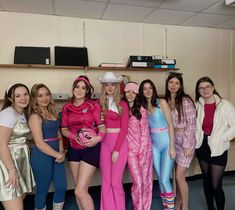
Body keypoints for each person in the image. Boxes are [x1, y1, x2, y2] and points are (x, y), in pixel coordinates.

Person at [61, 76, 105, 210]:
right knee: (79, 190)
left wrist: (97, 139)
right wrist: (76, 137)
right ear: (73, 88)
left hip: (90, 149)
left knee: (80, 191)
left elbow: (102, 128)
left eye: (83, 88)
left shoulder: (94, 106)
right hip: (74, 149)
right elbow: (64, 130)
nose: (80, 90)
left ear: (87, 91)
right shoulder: (66, 107)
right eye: (77, 87)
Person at [195, 76, 235, 210]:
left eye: (207, 86)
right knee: (206, 181)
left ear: (213, 87)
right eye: (201, 87)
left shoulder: (225, 105)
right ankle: (210, 207)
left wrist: (223, 138)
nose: (205, 90)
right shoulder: (197, 105)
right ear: (198, 90)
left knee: (215, 184)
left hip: (219, 148)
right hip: (202, 146)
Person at [29, 83, 67, 210]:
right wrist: (58, 155)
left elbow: (58, 133)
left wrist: (61, 151)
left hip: (57, 154)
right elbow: (39, 143)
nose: (44, 98)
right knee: (42, 189)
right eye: (40, 96)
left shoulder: (53, 112)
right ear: (34, 98)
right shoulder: (35, 116)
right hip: (41, 155)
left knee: (61, 186)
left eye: (47, 94)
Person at [139, 79, 175, 210]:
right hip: (153, 146)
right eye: (144, 89)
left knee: (165, 179)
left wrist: (172, 147)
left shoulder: (162, 102)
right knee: (160, 178)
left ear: (154, 89)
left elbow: (171, 125)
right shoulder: (141, 107)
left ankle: (170, 209)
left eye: (150, 88)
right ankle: (166, 206)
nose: (148, 91)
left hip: (166, 145)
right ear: (142, 92)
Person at [0, 83, 35, 210]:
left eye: (25, 94)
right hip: (8, 163)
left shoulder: (21, 113)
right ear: (10, 99)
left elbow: (20, 139)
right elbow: (1, 144)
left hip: (20, 160)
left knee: (20, 199)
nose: (23, 98)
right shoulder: (8, 114)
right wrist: (11, 170)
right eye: (18, 96)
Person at [165, 72, 196, 210]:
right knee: (174, 176)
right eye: (171, 82)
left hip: (185, 141)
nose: (173, 85)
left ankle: (185, 207)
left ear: (180, 85)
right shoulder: (166, 100)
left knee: (179, 176)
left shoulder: (185, 100)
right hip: (172, 141)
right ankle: (177, 204)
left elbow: (191, 124)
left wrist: (187, 145)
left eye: (177, 83)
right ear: (167, 84)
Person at [98, 72, 129, 210]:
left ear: (117, 87)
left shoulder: (122, 104)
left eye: (113, 85)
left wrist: (116, 150)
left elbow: (124, 130)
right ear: (103, 87)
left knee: (116, 182)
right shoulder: (98, 104)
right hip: (104, 144)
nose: (110, 87)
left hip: (120, 145)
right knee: (106, 181)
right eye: (106, 85)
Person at [123, 82, 153, 210]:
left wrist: (142, 154)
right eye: (128, 91)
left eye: (133, 92)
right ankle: (138, 207)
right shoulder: (121, 109)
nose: (130, 94)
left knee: (146, 182)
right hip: (130, 152)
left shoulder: (141, 110)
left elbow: (145, 133)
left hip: (144, 151)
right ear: (124, 93)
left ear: (137, 94)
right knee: (138, 182)